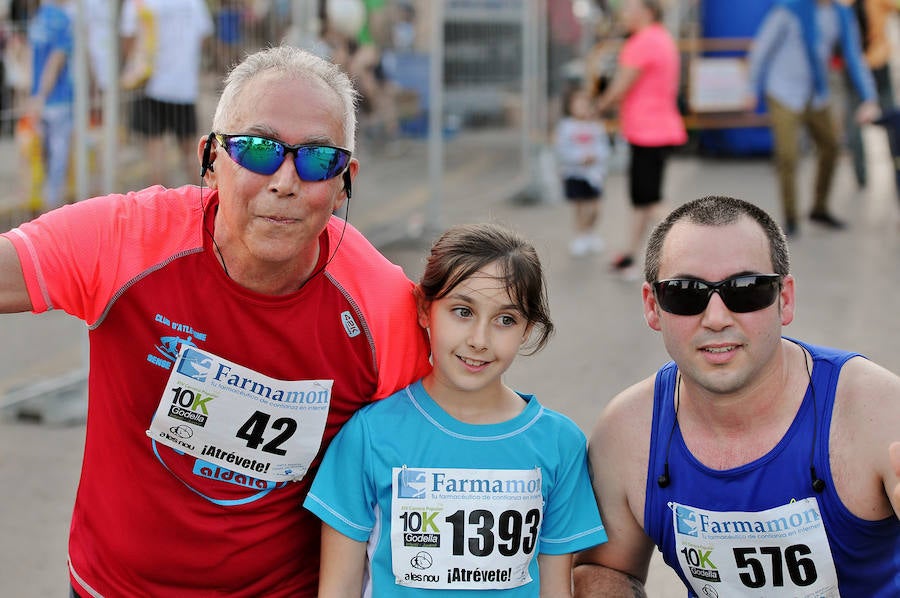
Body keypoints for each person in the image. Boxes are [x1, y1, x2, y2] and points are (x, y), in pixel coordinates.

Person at [0, 45, 432, 596]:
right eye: (257, 149)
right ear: (209, 160)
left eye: (318, 159)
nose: (285, 181)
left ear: (345, 180)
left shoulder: (382, 306)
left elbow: (452, 446)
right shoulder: (129, 239)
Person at [573, 195, 900, 597]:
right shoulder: (626, 433)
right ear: (652, 306)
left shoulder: (877, 412)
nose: (716, 318)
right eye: (685, 293)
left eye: (746, 290)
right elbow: (605, 568)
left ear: (784, 299)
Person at [305, 222, 608, 596]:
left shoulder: (560, 444)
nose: (479, 340)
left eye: (505, 320)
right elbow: (338, 589)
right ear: (423, 308)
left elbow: (555, 588)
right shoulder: (369, 436)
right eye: (462, 311)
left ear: (527, 329)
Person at [745, 0, 880, 236]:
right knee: (788, 155)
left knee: (831, 147)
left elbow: (853, 55)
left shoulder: (841, 14)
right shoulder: (788, 10)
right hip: (783, 91)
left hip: (816, 93)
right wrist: (751, 88)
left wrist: (869, 96)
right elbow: (762, 48)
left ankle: (819, 208)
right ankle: (790, 217)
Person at [594, 0, 686, 279]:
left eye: (628, 8)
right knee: (642, 199)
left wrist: (595, 109)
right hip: (658, 128)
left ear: (646, 12)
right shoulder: (662, 38)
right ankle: (630, 254)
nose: (623, 14)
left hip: (648, 131)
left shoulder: (642, 42)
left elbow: (620, 86)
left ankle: (690, 246)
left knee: (651, 199)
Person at [120, 0, 212, 188]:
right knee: (191, 152)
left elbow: (128, 38)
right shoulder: (193, 3)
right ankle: (204, 204)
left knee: (155, 152)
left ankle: (159, 208)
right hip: (184, 85)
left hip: (150, 83)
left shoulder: (139, 2)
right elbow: (204, 35)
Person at [842, 0, 897, 190]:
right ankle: (885, 170)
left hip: (863, 67)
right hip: (869, 66)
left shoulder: (842, 5)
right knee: (889, 122)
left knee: (857, 122)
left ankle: (865, 176)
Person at [26, 0, 73, 211]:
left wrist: (33, 95)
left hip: (39, 97)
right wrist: (42, 96)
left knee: (42, 156)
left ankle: (42, 203)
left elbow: (31, 58)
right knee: (58, 157)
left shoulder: (39, 17)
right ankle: (52, 210)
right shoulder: (62, 20)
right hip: (57, 99)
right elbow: (56, 61)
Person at [555, 86, 610, 257]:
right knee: (579, 206)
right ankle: (580, 236)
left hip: (594, 174)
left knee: (595, 208)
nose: (582, 108)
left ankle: (589, 232)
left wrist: (596, 156)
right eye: (578, 104)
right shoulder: (565, 127)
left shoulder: (596, 126)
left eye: (585, 104)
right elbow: (561, 149)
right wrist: (579, 158)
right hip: (574, 173)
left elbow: (604, 146)